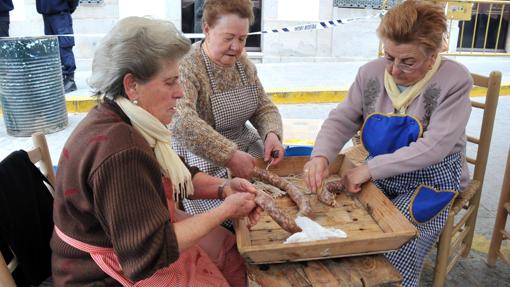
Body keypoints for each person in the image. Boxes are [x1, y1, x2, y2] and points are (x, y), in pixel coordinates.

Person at [50, 16, 261, 286]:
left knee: (229, 248)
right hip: (98, 274)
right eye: (170, 82)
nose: (181, 93)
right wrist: (225, 211)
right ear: (132, 85)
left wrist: (224, 189)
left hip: (132, 244)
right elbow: (151, 251)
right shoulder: (121, 150)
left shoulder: (126, 117)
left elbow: (177, 176)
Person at [303, 1, 472, 286]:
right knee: (346, 222)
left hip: (431, 178)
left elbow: (434, 148)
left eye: (408, 62)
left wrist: (369, 170)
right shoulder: (370, 73)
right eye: (389, 56)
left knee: (399, 237)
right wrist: (320, 156)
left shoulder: (454, 81)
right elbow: (343, 118)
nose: (393, 70)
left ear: (433, 56)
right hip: (380, 167)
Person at [171, 0, 284, 227]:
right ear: (206, 29)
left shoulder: (244, 64)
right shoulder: (187, 65)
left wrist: (271, 133)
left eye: (242, 39)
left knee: (276, 205)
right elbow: (182, 121)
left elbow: (263, 106)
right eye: (228, 37)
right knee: (241, 220)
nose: (236, 47)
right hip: (203, 159)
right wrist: (229, 156)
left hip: (246, 149)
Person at [36, 0, 78, 93]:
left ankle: (69, 79)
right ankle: (57, 78)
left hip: (60, 13)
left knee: (64, 46)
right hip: (46, 14)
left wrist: (69, 7)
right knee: (51, 46)